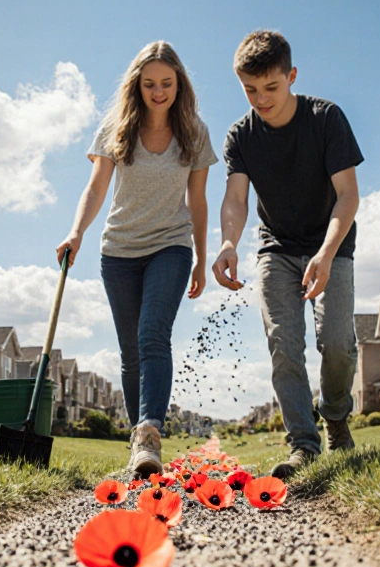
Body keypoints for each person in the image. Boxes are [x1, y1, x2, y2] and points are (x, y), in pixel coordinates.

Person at [57, 41, 215, 478]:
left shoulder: (195, 132)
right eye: (149, 84)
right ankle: (137, 443)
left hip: (171, 245)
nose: (158, 91)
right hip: (120, 251)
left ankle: (149, 433)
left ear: (179, 83)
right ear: (137, 85)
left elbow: (197, 201)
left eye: (166, 83)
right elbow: (96, 189)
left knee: (152, 335)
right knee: (130, 354)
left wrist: (201, 258)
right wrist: (77, 231)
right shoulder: (117, 127)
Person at [212, 30, 362, 479]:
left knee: (337, 345)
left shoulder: (326, 118)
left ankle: (335, 415)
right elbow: (236, 199)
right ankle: (304, 444)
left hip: (331, 247)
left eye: (271, 88)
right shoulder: (241, 135)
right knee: (284, 345)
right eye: (250, 90)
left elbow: (348, 196)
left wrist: (326, 252)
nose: (261, 99)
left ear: (292, 76)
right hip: (276, 249)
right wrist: (227, 243)